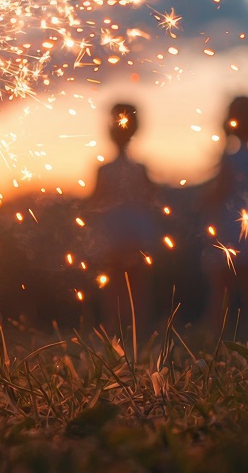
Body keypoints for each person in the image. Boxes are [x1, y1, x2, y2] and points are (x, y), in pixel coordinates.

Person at [84, 103, 161, 332]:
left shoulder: (104, 170)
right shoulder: (140, 169)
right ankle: (139, 330)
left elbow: (95, 202)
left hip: (112, 232)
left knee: (113, 284)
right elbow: (152, 200)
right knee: (137, 284)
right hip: (137, 230)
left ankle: (114, 330)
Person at [202, 96, 248, 331]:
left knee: (222, 292)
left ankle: (217, 339)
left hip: (230, 230)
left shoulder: (228, 160)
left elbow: (218, 193)